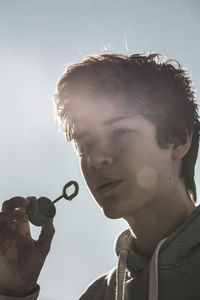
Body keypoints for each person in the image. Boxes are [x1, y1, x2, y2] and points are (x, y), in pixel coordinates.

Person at [0, 52, 199, 300]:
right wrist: (15, 292)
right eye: (85, 145)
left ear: (179, 138)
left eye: (119, 132)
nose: (94, 159)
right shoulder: (98, 295)